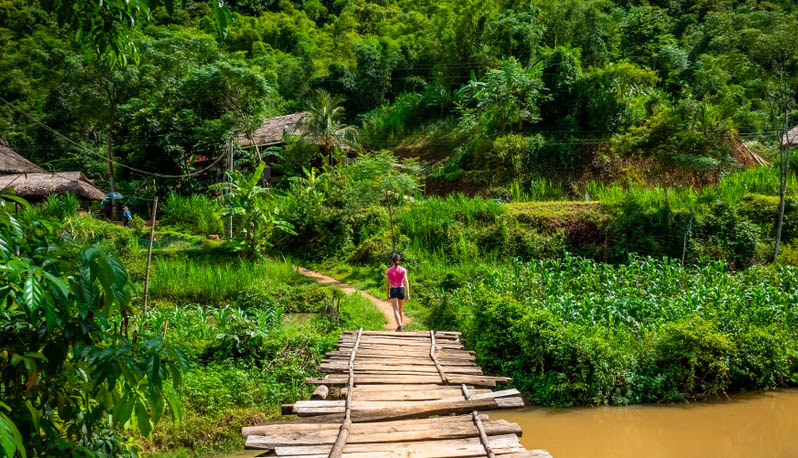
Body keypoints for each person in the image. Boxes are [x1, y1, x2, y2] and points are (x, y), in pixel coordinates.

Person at [385, 253, 410, 332]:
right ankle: (400, 327)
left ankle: (399, 325)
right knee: (400, 310)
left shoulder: (388, 271)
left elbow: (387, 284)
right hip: (401, 289)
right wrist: (408, 294)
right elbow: (406, 281)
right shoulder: (403, 270)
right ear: (399, 261)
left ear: (392, 261)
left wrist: (387, 294)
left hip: (394, 290)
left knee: (395, 310)